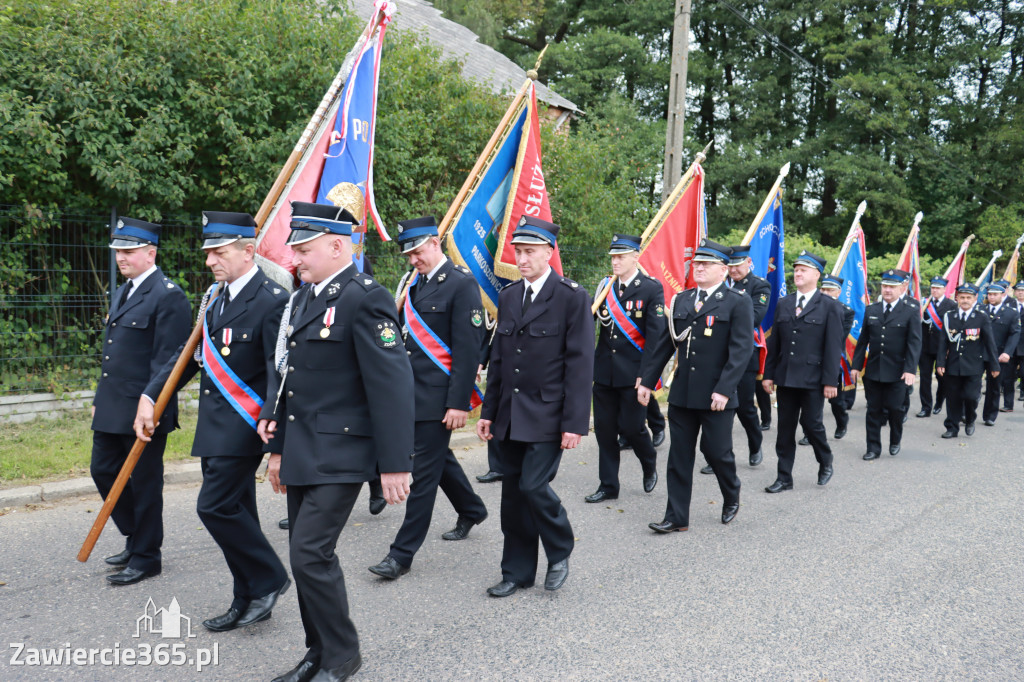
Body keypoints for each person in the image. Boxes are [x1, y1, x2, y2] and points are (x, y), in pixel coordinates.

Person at [258, 201, 414, 682]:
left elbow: (392, 386)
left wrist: (393, 464)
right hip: (304, 448)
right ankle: (317, 651)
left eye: (303, 249)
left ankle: (343, 655)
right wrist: (278, 448)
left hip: (344, 452)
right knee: (304, 558)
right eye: (295, 250)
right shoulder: (304, 298)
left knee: (309, 553)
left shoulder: (365, 298)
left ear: (336, 245)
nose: (296, 259)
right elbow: (291, 380)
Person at [132, 211, 289, 630]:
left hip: (244, 427)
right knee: (240, 512)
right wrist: (152, 395)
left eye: (219, 252)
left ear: (248, 250)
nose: (210, 261)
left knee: (214, 506)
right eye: (209, 253)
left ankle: (271, 577)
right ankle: (249, 595)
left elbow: (280, 372)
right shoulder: (216, 298)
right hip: (214, 426)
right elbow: (190, 357)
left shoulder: (273, 300)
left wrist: (277, 436)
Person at [476, 217, 594, 598]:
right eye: (518, 251)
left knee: (533, 485)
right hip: (510, 414)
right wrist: (489, 412)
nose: (522, 259)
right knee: (513, 495)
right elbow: (500, 360)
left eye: (529, 252)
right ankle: (517, 571)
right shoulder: (510, 296)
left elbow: (579, 365)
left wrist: (574, 422)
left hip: (548, 414)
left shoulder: (571, 296)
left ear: (549, 252)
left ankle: (560, 549)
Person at [367, 217, 488, 580]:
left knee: (420, 473)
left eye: (417, 251)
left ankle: (400, 555)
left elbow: (468, 351)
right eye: (408, 254)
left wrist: (458, 403)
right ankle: (471, 508)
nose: (412, 259)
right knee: (437, 460)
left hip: (439, 398)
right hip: (410, 395)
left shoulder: (462, 284)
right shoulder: (413, 284)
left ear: (435, 243)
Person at [90, 217, 191, 586]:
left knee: (145, 482)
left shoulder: (168, 295)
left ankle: (147, 556)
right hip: (114, 404)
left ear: (151, 253)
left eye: (129, 251)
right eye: (119, 251)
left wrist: (150, 404)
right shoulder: (127, 289)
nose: (121, 257)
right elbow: (113, 353)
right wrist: (101, 399)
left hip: (146, 409)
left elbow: (170, 361)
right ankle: (136, 537)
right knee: (102, 470)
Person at [638, 239, 753, 532]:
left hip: (717, 395)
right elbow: (666, 344)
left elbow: (741, 351)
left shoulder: (738, 302)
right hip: (683, 393)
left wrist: (725, 389)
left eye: (707, 263)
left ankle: (731, 491)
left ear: (723, 269)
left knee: (717, 452)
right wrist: (648, 381)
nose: (698, 267)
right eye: (697, 263)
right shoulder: (683, 299)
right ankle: (676, 517)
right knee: (679, 456)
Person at [586, 233, 664, 503]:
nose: (615, 261)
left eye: (621, 256)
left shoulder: (651, 289)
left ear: (635, 257)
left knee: (632, 428)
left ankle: (649, 460)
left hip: (634, 374)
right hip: (604, 372)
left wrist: (648, 377)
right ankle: (608, 485)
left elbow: (655, 339)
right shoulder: (605, 286)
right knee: (605, 431)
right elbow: (590, 323)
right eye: (613, 257)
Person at [762, 250, 843, 492]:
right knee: (785, 429)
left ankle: (825, 460)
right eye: (796, 268)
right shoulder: (785, 303)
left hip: (813, 378)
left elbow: (833, 347)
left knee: (812, 424)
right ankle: (784, 477)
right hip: (786, 377)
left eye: (804, 269)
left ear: (816, 275)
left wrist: (831, 381)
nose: (797, 272)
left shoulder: (829, 307)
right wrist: (768, 374)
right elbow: (775, 342)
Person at [700, 244, 768, 473]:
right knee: (716, 407)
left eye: (738, 264)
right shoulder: (718, 284)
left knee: (745, 407)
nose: (734, 269)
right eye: (730, 265)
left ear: (748, 263)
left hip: (743, 357)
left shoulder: (759, 286)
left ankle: (755, 444)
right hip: (715, 356)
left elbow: (754, 318)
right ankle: (716, 456)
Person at [849, 269, 922, 460]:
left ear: (902, 288)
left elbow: (914, 343)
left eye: (892, 286)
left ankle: (895, 439)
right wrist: (856, 366)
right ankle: (873, 448)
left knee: (896, 410)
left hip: (898, 372)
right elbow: (863, 340)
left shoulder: (910, 311)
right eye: (884, 286)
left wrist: (910, 369)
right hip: (874, 370)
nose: (887, 290)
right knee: (873, 410)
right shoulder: (872, 309)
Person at [937, 283, 1000, 439]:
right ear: (957, 298)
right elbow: (943, 342)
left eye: (968, 298)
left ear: (975, 299)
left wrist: (994, 365)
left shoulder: (981, 317)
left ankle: (970, 418)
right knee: (953, 398)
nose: (965, 300)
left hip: (974, 365)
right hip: (953, 364)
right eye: (962, 297)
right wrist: (940, 363)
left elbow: (990, 343)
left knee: (971, 396)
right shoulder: (949, 316)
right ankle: (952, 427)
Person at [820, 275, 857, 439]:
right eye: (823, 289)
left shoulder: (846, 312)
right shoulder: (812, 307)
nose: (826, 293)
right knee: (811, 400)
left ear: (839, 292)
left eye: (830, 290)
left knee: (836, 401)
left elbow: (839, 337)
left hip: (834, 360)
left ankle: (842, 422)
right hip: (812, 359)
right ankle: (811, 431)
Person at [980, 281, 1020, 425]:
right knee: (971, 386)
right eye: (989, 294)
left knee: (994, 387)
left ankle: (990, 416)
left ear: (1003, 295)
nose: (991, 297)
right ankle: (967, 413)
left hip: (998, 355)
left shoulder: (1011, 313)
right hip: (977, 354)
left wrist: (1008, 353)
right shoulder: (979, 309)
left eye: (995, 294)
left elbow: (1014, 334)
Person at [917, 276, 957, 418]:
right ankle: (925, 407)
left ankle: (939, 401)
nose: (935, 290)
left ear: (944, 290)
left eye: (938, 288)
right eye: (933, 288)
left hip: (942, 348)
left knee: (942, 378)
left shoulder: (952, 305)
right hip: (925, 347)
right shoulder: (924, 303)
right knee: (924, 378)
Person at [1013, 281, 1024, 402]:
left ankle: (1023, 391)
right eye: (1018, 290)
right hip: (1011, 343)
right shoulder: (1009, 304)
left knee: (1023, 371)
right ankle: (1008, 401)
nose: (1021, 292)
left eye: (1023, 290)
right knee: (1008, 373)